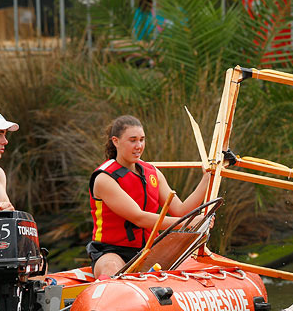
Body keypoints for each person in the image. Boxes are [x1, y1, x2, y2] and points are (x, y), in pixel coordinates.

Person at [88, 115, 210, 278]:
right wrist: (189, 223)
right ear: (115, 141)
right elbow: (139, 218)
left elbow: (180, 211)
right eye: (133, 140)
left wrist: (208, 178)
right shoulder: (104, 178)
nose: (139, 146)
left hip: (149, 249)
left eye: (142, 140)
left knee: (190, 267)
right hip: (112, 251)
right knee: (111, 268)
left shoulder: (152, 172)